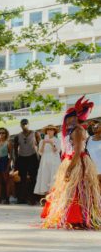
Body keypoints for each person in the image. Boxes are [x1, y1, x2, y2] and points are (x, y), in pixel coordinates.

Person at [41, 97, 101, 229]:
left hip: (78, 162)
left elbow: (78, 151)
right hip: (72, 161)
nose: (66, 120)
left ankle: (79, 218)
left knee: (77, 190)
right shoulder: (74, 130)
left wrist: (69, 169)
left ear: (76, 118)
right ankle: (74, 217)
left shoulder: (78, 130)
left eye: (69, 117)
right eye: (66, 117)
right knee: (71, 190)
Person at [13, 118, 41, 205]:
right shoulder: (17, 136)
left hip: (32, 157)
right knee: (22, 179)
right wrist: (16, 160)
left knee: (33, 178)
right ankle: (21, 198)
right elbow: (15, 149)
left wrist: (40, 158)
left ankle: (32, 198)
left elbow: (40, 145)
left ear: (28, 124)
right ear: (20, 125)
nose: (24, 125)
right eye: (22, 124)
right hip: (22, 158)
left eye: (26, 123)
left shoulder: (35, 133)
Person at [34, 125, 61, 197]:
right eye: (48, 130)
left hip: (54, 160)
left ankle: (54, 196)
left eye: (51, 130)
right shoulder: (42, 141)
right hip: (45, 160)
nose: (49, 131)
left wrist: (51, 143)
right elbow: (40, 152)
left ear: (54, 131)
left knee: (53, 176)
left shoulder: (57, 140)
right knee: (45, 177)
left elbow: (57, 151)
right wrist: (44, 143)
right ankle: (46, 197)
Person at [0, 128, 13, 204]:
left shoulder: (8, 143)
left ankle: (7, 198)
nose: (1, 134)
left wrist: (8, 166)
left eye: (3, 133)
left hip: (4, 161)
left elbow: (11, 156)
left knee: (6, 181)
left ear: (6, 134)